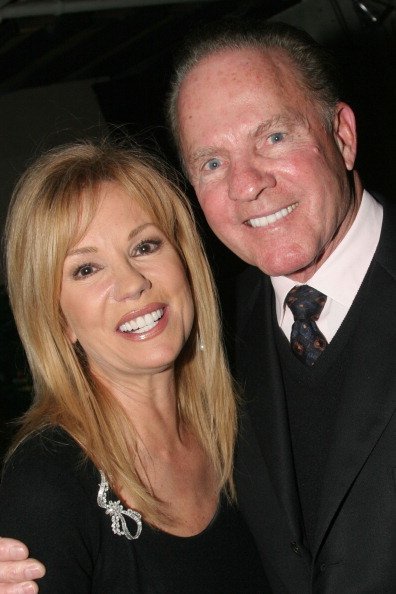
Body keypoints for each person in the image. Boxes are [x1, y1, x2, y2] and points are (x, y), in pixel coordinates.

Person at [1, 18, 395, 593]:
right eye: (212, 162)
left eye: (273, 137)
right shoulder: (47, 487)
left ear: (342, 135)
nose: (248, 184)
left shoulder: (214, 392)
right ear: (54, 315)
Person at [0, 140, 269, 593]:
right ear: (58, 318)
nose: (132, 282)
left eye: (145, 246)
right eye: (86, 269)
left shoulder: (244, 421)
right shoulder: (44, 486)